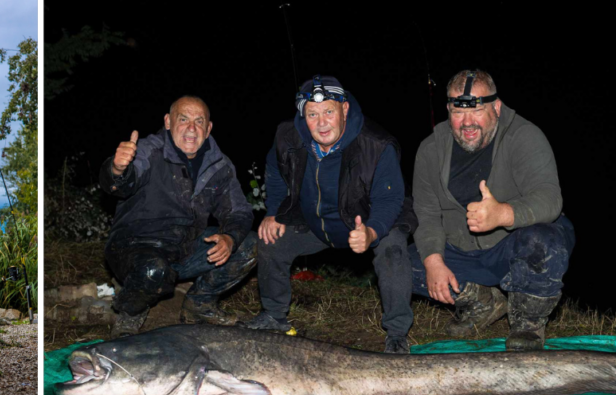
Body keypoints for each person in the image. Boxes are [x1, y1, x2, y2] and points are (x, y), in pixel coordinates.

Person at [243, 75, 417, 354]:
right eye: (312, 114)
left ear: (344, 110)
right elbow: (274, 170)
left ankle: (397, 334)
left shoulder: (377, 144)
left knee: (392, 249)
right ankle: (273, 316)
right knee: (269, 239)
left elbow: (390, 198)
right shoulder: (287, 136)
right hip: (314, 221)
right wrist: (274, 212)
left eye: (328, 112)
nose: (321, 123)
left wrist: (372, 231)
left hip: (367, 219)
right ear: (303, 115)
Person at [411, 70, 574, 351]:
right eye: (458, 113)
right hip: (462, 249)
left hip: (509, 249)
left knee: (545, 241)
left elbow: (550, 199)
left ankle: (527, 324)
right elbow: (426, 214)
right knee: (403, 263)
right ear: (448, 110)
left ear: (496, 108)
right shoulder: (429, 150)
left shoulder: (525, 136)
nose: (467, 123)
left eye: (478, 111)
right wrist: (433, 262)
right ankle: (482, 301)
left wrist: (503, 214)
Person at [99, 96, 256, 338]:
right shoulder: (148, 149)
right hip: (133, 247)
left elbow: (239, 211)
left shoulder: (220, 165)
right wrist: (118, 169)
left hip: (183, 249)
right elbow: (122, 183)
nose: (191, 128)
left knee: (251, 244)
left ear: (209, 128)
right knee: (153, 270)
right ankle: (130, 313)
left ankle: (199, 305)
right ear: (168, 122)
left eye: (199, 121)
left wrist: (230, 237)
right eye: (183, 119)